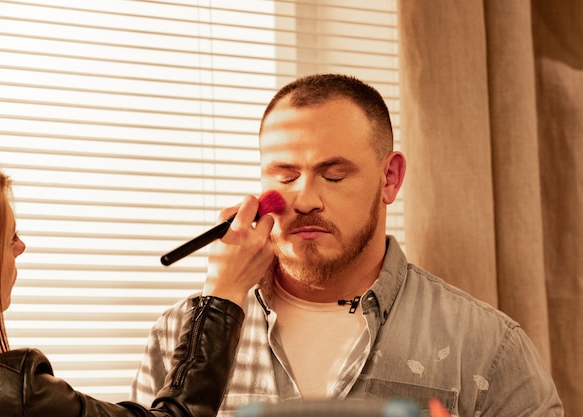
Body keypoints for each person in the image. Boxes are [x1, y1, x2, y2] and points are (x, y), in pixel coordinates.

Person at [130, 74, 564, 416]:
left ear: (389, 178)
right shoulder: (176, 340)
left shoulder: (487, 347)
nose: (304, 200)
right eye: (284, 176)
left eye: (334, 176)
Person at [0, 149, 276, 417]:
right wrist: (224, 292)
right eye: (10, 236)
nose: (21, 247)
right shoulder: (9, 393)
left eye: (330, 177)